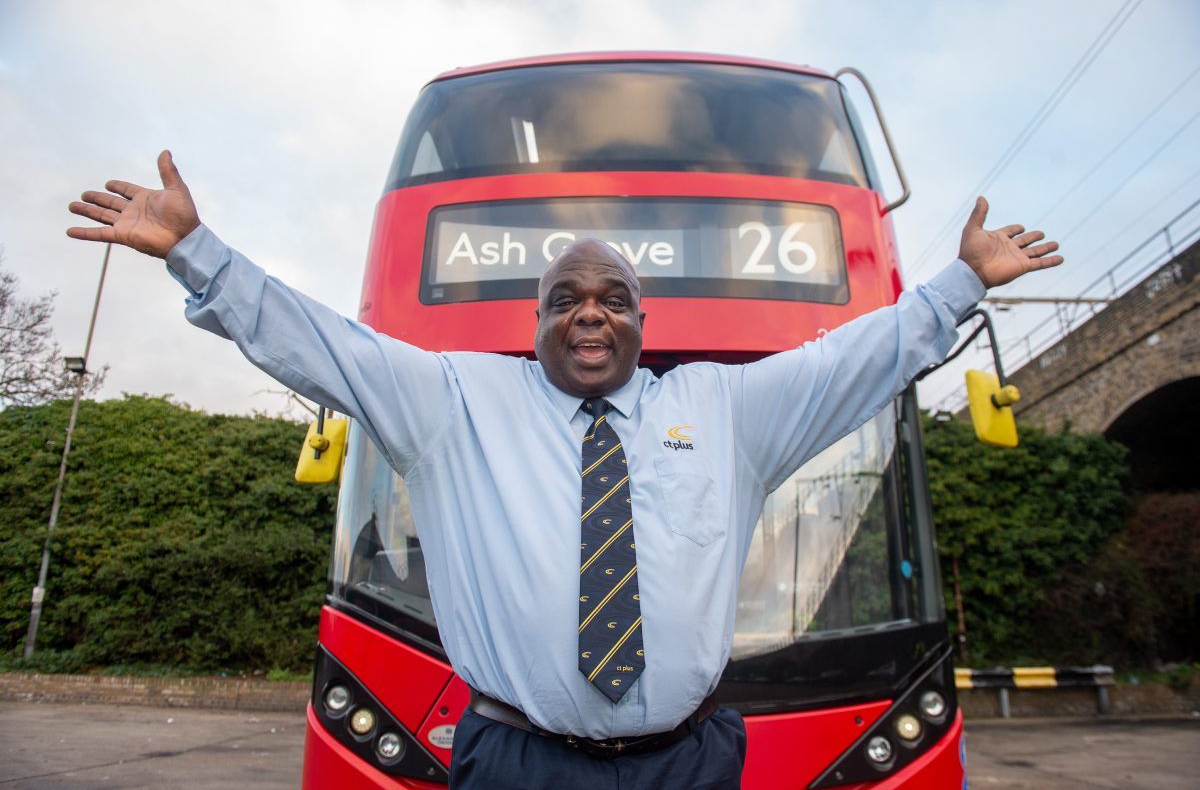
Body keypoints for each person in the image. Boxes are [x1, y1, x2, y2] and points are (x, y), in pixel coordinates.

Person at [67, 150, 1062, 789]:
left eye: (613, 296)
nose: (591, 310)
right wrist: (197, 253)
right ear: (536, 322)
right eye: (565, 298)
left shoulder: (725, 411)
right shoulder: (455, 404)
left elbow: (861, 359)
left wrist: (963, 280)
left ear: (643, 321)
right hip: (516, 762)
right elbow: (320, 344)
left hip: (690, 762)